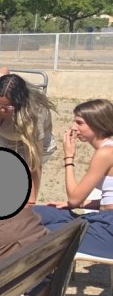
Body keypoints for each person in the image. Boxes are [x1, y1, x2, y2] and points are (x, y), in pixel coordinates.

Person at [33, 99, 113, 259]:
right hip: (102, 217)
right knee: (32, 214)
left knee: (40, 231)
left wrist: (69, 157)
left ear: (97, 124)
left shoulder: (106, 153)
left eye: (79, 123)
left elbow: (74, 198)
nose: (73, 127)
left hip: (108, 229)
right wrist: (79, 204)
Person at [0, 67, 56, 204]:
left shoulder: (34, 114)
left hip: (29, 142)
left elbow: (34, 164)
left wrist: (31, 201)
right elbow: (4, 68)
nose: (2, 109)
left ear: (19, 102)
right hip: (3, 139)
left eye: (8, 106)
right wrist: (9, 81)